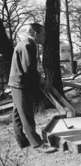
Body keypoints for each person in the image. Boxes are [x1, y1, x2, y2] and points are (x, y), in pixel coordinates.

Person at [8, 23, 49, 151]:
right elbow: (28, 68)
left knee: (17, 114)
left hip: (16, 82)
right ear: (35, 34)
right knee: (26, 114)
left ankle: (22, 141)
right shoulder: (28, 44)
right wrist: (40, 80)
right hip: (21, 83)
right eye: (43, 34)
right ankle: (37, 143)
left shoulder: (25, 43)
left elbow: (28, 67)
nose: (44, 36)